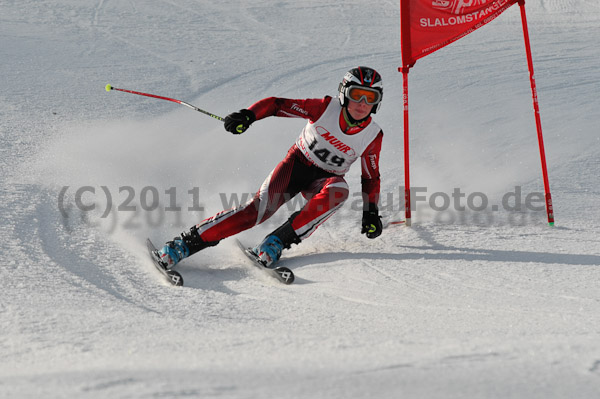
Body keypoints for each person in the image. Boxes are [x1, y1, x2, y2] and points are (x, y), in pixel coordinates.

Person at [156, 66, 385, 269]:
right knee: (255, 213)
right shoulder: (324, 108)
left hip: (323, 181)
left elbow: (371, 178)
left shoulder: (372, 136)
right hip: (296, 166)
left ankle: (275, 243)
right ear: (344, 93)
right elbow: (277, 105)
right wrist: (248, 116)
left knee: (340, 191)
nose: (362, 104)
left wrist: (371, 213)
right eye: (357, 95)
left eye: (370, 97)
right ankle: (182, 245)